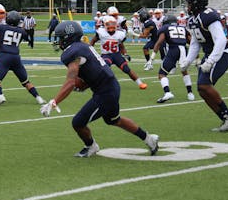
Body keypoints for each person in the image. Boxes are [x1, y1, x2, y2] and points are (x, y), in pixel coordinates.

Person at [40, 21, 159, 157]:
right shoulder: (82, 46)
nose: (59, 41)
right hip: (110, 86)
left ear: (68, 37)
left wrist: (54, 101)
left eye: (61, 37)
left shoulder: (73, 52)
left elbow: (71, 81)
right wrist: (84, 84)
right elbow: (92, 71)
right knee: (114, 120)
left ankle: (91, 146)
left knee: (78, 122)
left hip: (105, 91)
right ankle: (149, 139)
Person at [180, 0, 228, 131]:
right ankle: (225, 118)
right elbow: (195, 43)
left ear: (197, 4)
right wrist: (187, 61)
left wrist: (211, 61)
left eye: (189, 3)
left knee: (205, 85)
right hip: (210, 54)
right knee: (201, 89)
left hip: (222, 54)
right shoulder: (193, 20)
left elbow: (221, 40)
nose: (187, 6)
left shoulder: (208, 16)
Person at [0, 11, 45, 106]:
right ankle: (38, 98)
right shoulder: (21, 31)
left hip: (5, 56)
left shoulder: (0, 28)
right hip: (16, 57)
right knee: (26, 81)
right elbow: (24, 36)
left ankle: (0, 96)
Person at [144, 15, 195, 103]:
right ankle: (190, 93)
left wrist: (151, 59)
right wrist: (196, 57)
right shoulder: (182, 28)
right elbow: (191, 42)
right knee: (184, 71)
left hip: (173, 49)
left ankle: (167, 92)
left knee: (162, 74)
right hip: (183, 49)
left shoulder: (165, 28)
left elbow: (159, 43)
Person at [90, 16, 147, 90]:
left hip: (116, 55)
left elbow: (121, 45)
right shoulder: (101, 32)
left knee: (126, 69)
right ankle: (100, 84)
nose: (111, 26)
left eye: (112, 23)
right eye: (109, 24)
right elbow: (93, 41)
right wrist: (90, 50)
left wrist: (125, 54)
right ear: (105, 24)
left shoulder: (120, 34)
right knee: (105, 68)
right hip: (106, 54)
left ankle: (140, 83)